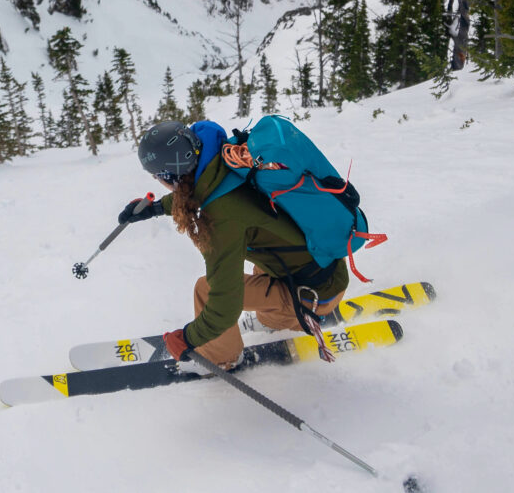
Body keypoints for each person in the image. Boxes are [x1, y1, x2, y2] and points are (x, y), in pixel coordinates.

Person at [120, 118, 349, 368]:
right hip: (325, 264)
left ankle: (221, 359)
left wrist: (188, 339)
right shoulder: (227, 159)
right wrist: (153, 208)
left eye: (157, 176)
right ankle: (278, 317)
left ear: (171, 175)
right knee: (256, 265)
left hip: (314, 294)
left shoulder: (221, 218)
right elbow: (197, 190)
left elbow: (223, 307)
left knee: (206, 291)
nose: (158, 181)